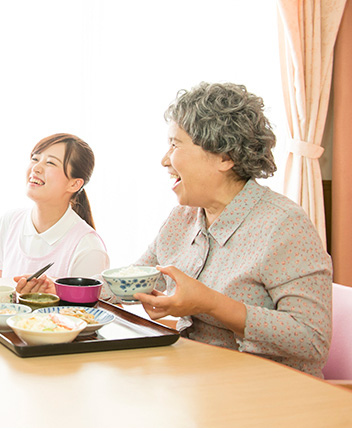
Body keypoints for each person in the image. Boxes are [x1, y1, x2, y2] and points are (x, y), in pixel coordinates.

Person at [121, 81, 331, 377]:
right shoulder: (182, 218)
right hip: (194, 382)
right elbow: (130, 280)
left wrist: (211, 303)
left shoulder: (283, 225)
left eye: (175, 144)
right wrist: (55, 290)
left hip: (266, 393)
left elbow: (312, 340)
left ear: (225, 157)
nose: (165, 159)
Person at [0, 133, 108, 294]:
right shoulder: (10, 221)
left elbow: (85, 316)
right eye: (35, 159)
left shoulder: (89, 248)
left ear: (75, 184)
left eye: (50, 162)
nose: (36, 168)